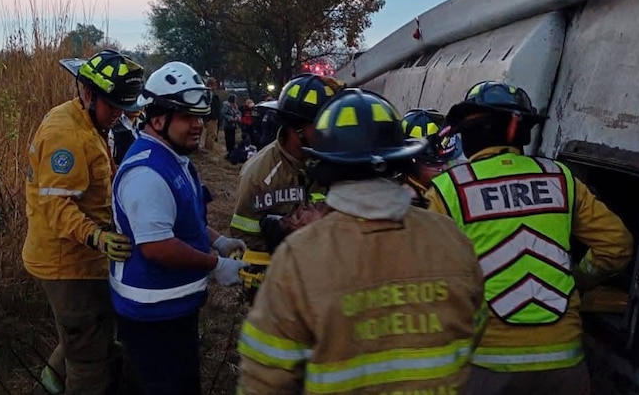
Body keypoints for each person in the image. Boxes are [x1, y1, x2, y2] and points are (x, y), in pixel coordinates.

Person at [238, 88, 488, 395]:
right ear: (403, 158)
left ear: (325, 163)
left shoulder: (300, 256)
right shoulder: (451, 239)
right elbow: (474, 329)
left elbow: (265, 377)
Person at [422, 81, 635, 395]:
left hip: (488, 364)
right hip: (564, 362)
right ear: (521, 132)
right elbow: (617, 245)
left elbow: (427, 278)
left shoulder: (448, 189)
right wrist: (579, 279)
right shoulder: (561, 178)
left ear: (471, 134)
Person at [109, 61, 248, 395]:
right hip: (152, 316)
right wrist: (216, 266)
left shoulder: (174, 158)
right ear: (158, 119)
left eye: (199, 117)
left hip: (174, 308)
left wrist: (217, 242)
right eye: (187, 117)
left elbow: (184, 220)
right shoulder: (146, 174)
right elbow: (158, 247)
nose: (198, 125)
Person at [22, 49, 145, 395]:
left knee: (86, 335)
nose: (119, 114)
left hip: (81, 258)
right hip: (67, 263)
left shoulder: (87, 121)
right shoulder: (68, 135)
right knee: (89, 357)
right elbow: (57, 207)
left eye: (123, 106)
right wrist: (98, 238)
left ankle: (48, 386)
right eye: (113, 105)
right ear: (88, 93)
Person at [229, 74, 342, 253]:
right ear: (295, 127)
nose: (329, 131)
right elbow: (242, 236)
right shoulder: (259, 173)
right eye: (322, 124)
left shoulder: (333, 162)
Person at [400, 108, 465, 208]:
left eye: (448, 161)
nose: (444, 169)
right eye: (436, 164)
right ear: (410, 162)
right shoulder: (402, 202)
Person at [201, 77, 222, 152]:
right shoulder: (209, 94)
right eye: (214, 85)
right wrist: (213, 116)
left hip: (211, 117)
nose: (215, 87)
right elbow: (211, 106)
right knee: (211, 134)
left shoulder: (210, 94)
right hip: (210, 118)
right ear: (210, 85)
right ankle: (209, 150)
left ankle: (208, 149)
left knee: (210, 134)